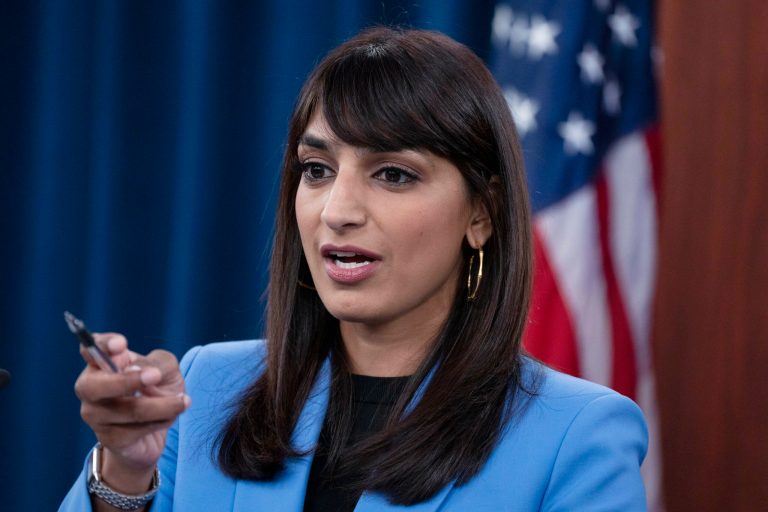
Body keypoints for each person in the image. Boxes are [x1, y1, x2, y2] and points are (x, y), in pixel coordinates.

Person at [61, 27, 648, 511]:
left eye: (393, 173)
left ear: (483, 213)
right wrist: (125, 470)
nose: (337, 211)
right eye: (317, 169)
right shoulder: (208, 387)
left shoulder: (579, 436)